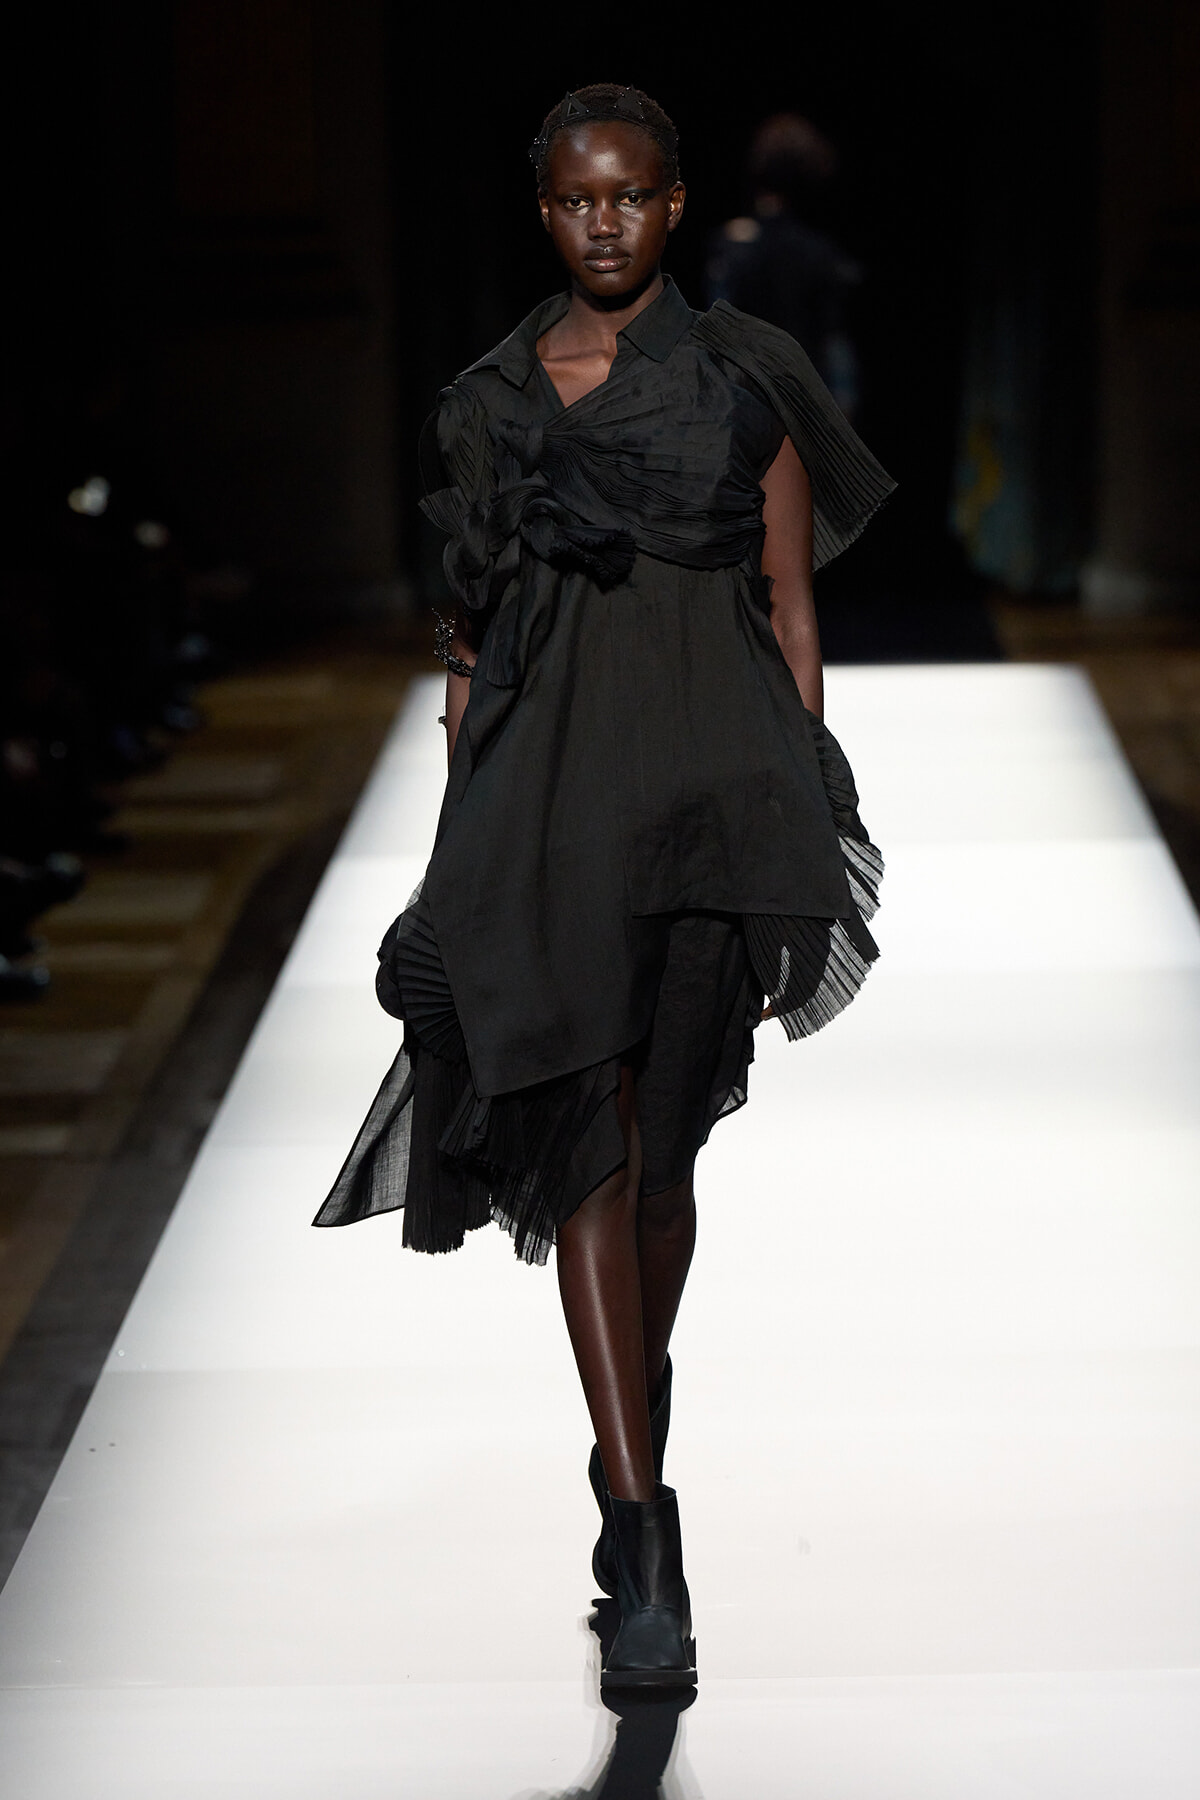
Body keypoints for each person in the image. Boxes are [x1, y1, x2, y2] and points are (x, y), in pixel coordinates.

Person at [315, 84, 893, 1691]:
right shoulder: (491, 402)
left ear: (674, 202)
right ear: (545, 211)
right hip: (552, 805)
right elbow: (472, 634)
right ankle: (643, 1536)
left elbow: (788, 610)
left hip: (712, 804)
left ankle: (628, 1444)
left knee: (663, 1160)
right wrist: (461, 824)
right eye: (576, 201)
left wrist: (801, 798)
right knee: (586, 1135)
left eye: (631, 198)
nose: (604, 224)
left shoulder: (745, 377)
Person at [706, 112, 862, 419]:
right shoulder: (821, 255)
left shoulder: (731, 246)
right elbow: (834, 343)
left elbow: (714, 329)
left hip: (739, 403)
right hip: (800, 407)